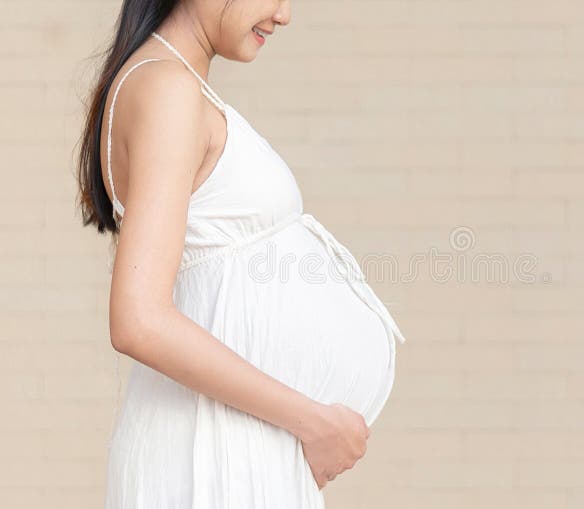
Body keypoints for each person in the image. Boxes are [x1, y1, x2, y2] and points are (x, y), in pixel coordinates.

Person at [74, 1, 407, 507]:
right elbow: (138, 320)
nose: (283, 14)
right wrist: (311, 421)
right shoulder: (167, 88)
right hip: (215, 453)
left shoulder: (168, 83)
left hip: (230, 443)